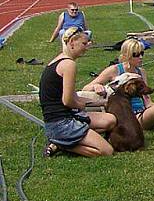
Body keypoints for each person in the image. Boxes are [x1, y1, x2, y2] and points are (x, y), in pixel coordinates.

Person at [84, 38, 154, 131]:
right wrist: (95, 86)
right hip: (132, 117)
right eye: (136, 54)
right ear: (127, 55)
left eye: (142, 53)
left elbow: (147, 99)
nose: (140, 57)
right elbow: (86, 88)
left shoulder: (141, 71)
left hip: (144, 110)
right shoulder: (114, 70)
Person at [39, 27, 116, 157]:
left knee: (111, 120)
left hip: (61, 118)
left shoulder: (59, 60)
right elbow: (68, 101)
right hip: (61, 123)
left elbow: (71, 95)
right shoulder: (69, 65)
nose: (87, 48)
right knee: (107, 151)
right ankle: (61, 144)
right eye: (84, 44)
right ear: (72, 42)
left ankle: (63, 140)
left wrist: (100, 102)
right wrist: (83, 106)